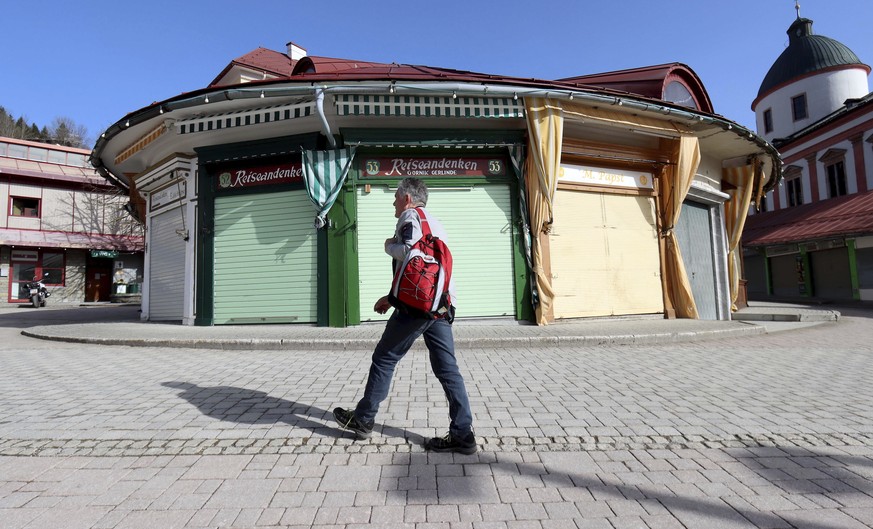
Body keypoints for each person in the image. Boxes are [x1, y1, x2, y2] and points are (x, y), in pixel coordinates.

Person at [333, 177, 476, 455]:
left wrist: (388, 245)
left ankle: (363, 419)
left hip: (418, 308)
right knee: (448, 370)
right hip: (441, 304)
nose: (394, 202)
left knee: (384, 357)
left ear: (408, 198)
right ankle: (463, 433)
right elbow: (427, 264)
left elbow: (411, 252)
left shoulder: (411, 216)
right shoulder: (435, 221)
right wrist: (392, 297)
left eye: (396, 196)